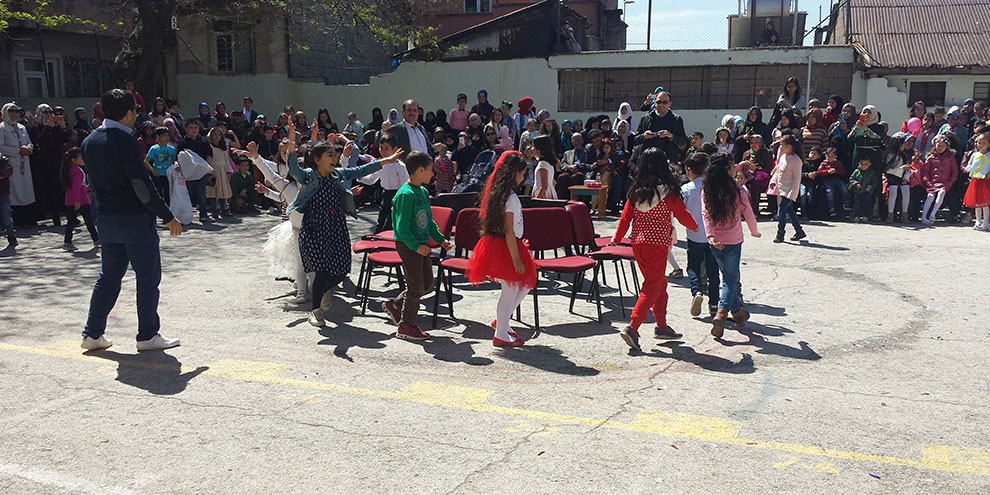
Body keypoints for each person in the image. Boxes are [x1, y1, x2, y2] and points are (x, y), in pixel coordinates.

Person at [79, 89, 183, 351]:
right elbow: (141, 185)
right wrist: (168, 216)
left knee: (109, 277)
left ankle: (92, 333)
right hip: (134, 220)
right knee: (147, 279)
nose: (138, 115)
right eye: (136, 110)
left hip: (106, 219)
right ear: (128, 113)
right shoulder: (125, 141)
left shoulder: (89, 141)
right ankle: (147, 335)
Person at [290, 130, 402, 326]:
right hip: (314, 230)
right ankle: (315, 311)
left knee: (341, 270)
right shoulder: (309, 176)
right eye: (330, 155)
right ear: (317, 159)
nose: (335, 158)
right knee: (321, 270)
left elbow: (362, 170)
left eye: (335, 154)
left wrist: (388, 160)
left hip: (336, 228)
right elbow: (294, 170)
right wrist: (292, 146)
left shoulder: (338, 174)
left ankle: (323, 290)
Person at [611, 148, 698, 350]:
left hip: (638, 244)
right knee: (652, 286)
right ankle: (633, 327)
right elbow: (682, 214)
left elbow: (625, 218)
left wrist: (616, 239)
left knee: (659, 284)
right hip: (657, 244)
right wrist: (694, 226)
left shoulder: (636, 190)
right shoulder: (667, 190)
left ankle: (661, 326)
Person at [379, 151, 453, 340]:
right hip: (408, 245)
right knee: (416, 287)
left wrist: (440, 239)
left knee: (427, 284)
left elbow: (428, 222)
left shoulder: (422, 191)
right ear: (420, 171)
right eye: (430, 170)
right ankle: (406, 326)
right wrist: (414, 246)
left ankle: (395, 305)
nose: (432, 174)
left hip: (421, 245)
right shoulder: (406, 194)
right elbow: (401, 226)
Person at [468, 151, 537, 347]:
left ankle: (502, 321)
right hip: (508, 246)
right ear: (513, 173)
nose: (523, 177)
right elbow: (508, 230)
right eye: (522, 173)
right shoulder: (510, 198)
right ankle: (500, 334)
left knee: (522, 286)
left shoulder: (501, 195)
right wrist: (515, 259)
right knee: (512, 288)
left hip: (507, 244)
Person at [702, 153, 760, 338]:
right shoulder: (737, 190)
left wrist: (710, 236)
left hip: (716, 242)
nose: (736, 168)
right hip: (734, 241)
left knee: (727, 276)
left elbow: (706, 215)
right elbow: (748, 212)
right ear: (727, 170)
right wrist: (754, 230)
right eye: (733, 166)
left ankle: (738, 315)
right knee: (729, 279)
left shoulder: (707, 190)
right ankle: (721, 313)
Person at [680, 152, 720, 318]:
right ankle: (714, 304)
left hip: (694, 234)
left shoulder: (686, 189)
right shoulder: (715, 186)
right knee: (713, 269)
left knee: (693, 266)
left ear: (689, 170)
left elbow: (680, 211)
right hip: (714, 235)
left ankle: (697, 292)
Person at [29, 103, 70, 227]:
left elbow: (63, 140)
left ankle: (66, 214)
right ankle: (49, 215)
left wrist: (63, 127)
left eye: (49, 112)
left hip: (56, 160)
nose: (48, 115)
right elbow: (39, 140)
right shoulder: (37, 127)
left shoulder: (54, 126)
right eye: (45, 112)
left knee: (59, 186)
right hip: (42, 162)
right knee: (47, 188)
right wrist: (47, 127)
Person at [362, 133, 408, 233]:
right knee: (380, 221)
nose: (383, 151)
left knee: (390, 223)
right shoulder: (380, 164)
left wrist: (400, 202)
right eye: (381, 148)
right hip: (386, 195)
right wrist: (358, 176)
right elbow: (371, 179)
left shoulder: (400, 166)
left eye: (386, 148)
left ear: (395, 150)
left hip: (397, 195)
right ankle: (376, 239)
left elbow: (405, 185)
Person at [0, 103, 34, 231]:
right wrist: (17, 151)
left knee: (26, 190)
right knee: (14, 191)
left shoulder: (22, 128)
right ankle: (16, 221)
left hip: (24, 163)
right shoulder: (2, 128)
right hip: (12, 163)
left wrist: (28, 149)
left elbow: (29, 143)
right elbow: (1, 147)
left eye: (16, 111)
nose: (14, 113)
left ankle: (27, 219)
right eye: (11, 111)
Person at [59, 147, 99, 251]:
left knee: (71, 222)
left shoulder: (70, 169)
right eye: (81, 158)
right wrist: (77, 200)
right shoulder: (78, 171)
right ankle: (95, 239)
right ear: (74, 159)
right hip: (80, 200)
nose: (83, 160)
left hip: (71, 199)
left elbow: (77, 186)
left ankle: (67, 241)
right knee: (88, 220)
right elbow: (76, 187)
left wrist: (85, 188)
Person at [770, 135, 806, 242]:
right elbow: (778, 171)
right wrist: (773, 181)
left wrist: (792, 194)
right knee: (790, 211)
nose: (780, 147)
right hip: (782, 189)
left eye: (782, 145)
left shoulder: (796, 160)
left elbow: (797, 179)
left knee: (781, 211)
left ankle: (780, 233)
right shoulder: (782, 157)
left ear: (790, 146)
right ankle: (799, 231)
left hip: (790, 191)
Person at [177, 120, 214, 223]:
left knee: (201, 193)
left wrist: (206, 169)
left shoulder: (204, 141)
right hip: (188, 173)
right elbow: (180, 157)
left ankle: (203, 215)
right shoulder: (183, 143)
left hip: (202, 172)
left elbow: (209, 156)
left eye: (196, 128)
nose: (194, 130)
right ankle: (187, 216)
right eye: (191, 128)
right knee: (188, 194)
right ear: (186, 129)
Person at [635, 90, 687, 164]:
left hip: (668, 162)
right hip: (649, 161)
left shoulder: (676, 119)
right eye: (659, 102)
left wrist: (671, 136)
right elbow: (635, 140)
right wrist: (644, 136)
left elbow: (683, 142)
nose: (661, 105)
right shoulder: (645, 119)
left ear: (669, 104)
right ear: (655, 103)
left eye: (664, 102)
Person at [919, 134, 958, 226]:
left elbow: (954, 171)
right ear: (935, 145)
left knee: (941, 193)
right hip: (932, 182)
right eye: (938, 145)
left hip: (945, 182)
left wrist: (950, 182)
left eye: (943, 146)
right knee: (930, 196)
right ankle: (924, 216)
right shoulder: (930, 157)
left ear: (947, 147)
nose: (940, 148)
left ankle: (933, 213)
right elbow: (925, 172)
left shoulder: (950, 158)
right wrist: (928, 182)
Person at [962, 132, 989, 230]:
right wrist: (969, 169)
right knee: (977, 203)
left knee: (985, 203)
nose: (980, 145)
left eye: (983, 143)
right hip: (975, 181)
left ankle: (986, 222)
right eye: (978, 142)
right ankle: (978, 221)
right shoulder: (974, 154)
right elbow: (970, 164)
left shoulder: (989, 155)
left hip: (985, 182)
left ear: (988, 144)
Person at [883, 134, 913, 223]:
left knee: (906, 192)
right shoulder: (890, 155)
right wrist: (900, 169)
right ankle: (890, 214)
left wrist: (906, 178)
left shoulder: (904, 155)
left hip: (902, 177)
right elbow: (887, 170)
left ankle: (904, 214)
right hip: (892, 177)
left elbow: (908, 169)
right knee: (893, 192)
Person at [205, 127, 234, 218]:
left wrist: (229, 171)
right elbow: (208, 161)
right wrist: (209, 172)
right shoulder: (209, 147)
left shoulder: (223, 148)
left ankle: (223, 209)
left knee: (223, 190)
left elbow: (226, 161)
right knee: (213, 191)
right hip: (213, 170)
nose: (217, 136)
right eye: (214, 134)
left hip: (222, 171)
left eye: (219, 135)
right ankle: (214, 210)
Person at [145, 127, 176, 207]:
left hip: (168, 175)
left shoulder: (172, 149)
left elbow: (175, 161)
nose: (167, 138)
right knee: (158, 194)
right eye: (164, 135)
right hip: (158, 174)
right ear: (158, 137)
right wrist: (152, 170)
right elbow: (146, 161)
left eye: (167, 135)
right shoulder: (154, 148)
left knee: (168, 194)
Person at [849, 155, 880, 223]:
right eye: (861, 164)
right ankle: (857, 216)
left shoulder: (872, 172)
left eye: (866, 164)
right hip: (858, 191)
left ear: (869, 164)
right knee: (857, 204)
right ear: (859, 164)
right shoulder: (857, 171)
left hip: (867, 192)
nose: (863, 166)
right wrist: (856, 183)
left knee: (867, 204)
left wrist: (870, 186)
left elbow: (875, 182)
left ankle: (866, 216)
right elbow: (851, 179)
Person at [817, 146, 847, 217]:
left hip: (837, 179)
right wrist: (827, 171)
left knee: (843, 187)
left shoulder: (838, 163)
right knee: (830, 191)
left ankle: (846, 203)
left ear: (835, 156)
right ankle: (831, 207)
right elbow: (819, 172)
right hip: (827, 180)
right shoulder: (823, 164)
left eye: (832, 156)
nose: (829, 158)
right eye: (828, 156)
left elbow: (843, 171)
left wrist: (836, 171)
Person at [531, 135, 558, 199]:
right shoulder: (547, 163)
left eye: (533, 146)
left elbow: (544, 186)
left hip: (544, 196)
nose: (531, 148)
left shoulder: (543, 165)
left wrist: (536, 200)